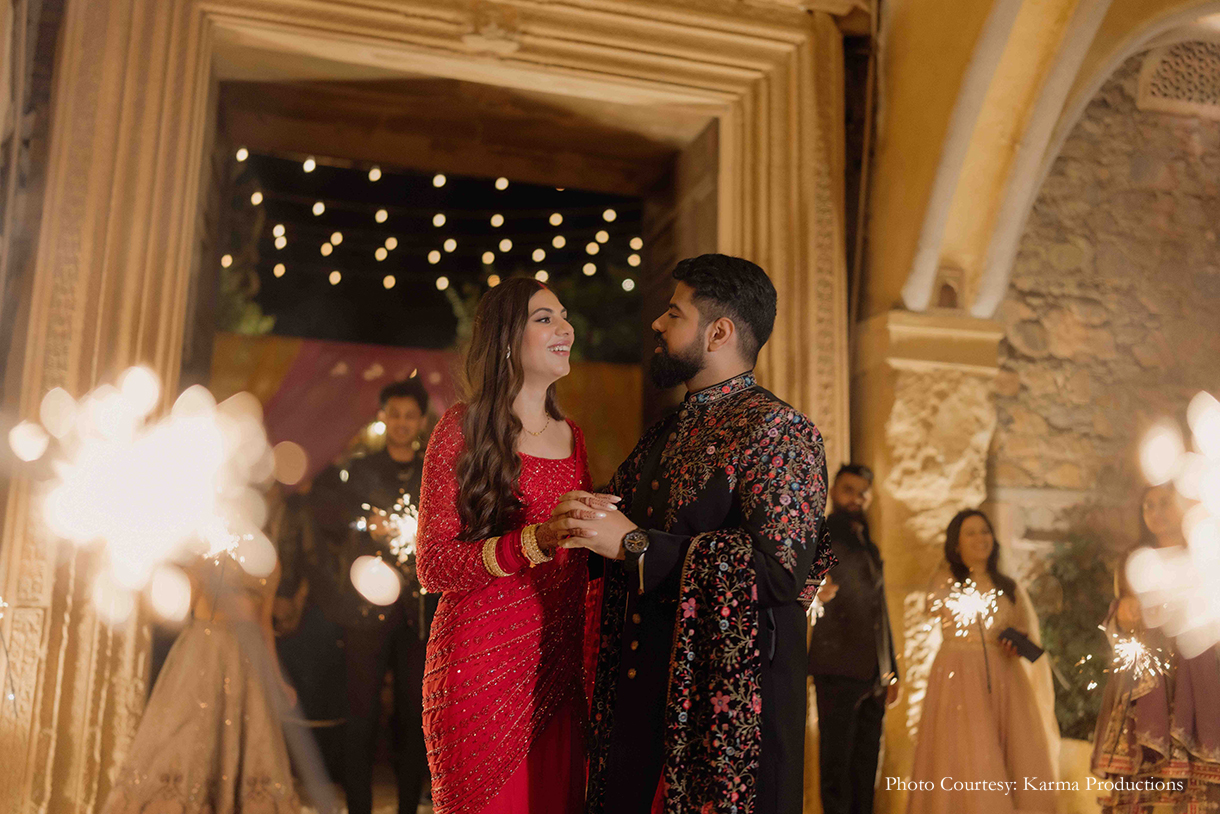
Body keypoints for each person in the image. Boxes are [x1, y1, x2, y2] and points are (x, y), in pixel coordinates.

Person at [563, 254, 835, 814]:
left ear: (719, 332)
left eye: (673, 312)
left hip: (728, 725)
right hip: (639, 710)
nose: (658, 324)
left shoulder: (779, 431)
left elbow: (779, 573)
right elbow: (610, 533)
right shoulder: (667, 431)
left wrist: (636, 545)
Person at [415, 278, 593, 814]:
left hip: (557, 674)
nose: (566, 328)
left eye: (564, 316)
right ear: (506, 339)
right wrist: (532, 542)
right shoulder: (463, 428)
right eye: (545, 318)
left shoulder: (574, 437)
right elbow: (434, 563)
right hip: (480, 667)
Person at [100, 496, 300, 814]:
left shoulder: (268, 564)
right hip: (201, 652)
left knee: (247, 744)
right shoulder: (206, 551)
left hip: (245, 659)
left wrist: (277, 680)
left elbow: (264, 627)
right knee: (184, 735)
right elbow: (185, 604)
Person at [906, 509, 1058, 814]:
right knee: (969, 747)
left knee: (1011, 749)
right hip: (958, 673)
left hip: (1004, 672)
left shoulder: (1008, 586)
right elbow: (934, 608)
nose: (980, 538)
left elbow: (1023, 626)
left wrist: (1018, 639)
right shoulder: (944, 579)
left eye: (985, 531)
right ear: (956, 543)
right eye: (971, 533)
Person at [340, 378, 438, 814]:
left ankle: (405, 808)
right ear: (383, 416)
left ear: (421, 421)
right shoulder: (360, 470)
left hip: (417, 611)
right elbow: (338, 520)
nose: (401, 422)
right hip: (366, 608)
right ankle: (358, 805)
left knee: (413, 717)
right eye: (394, 414)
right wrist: (368, 524)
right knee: (360, 713)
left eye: (409, 415)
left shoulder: (434, 470)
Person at [1091, 483, 1220, 813]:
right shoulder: (1132, 561)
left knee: (1198, 769)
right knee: (1147, 769)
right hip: (1148, 680)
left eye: (1165, 503)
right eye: (1148, 505)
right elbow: (1120, 629)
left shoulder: (1204, 556)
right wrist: (1122, 613)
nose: (1157, 512)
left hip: (1200, 669)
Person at [808, 463, 899, 814]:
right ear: (834, 491)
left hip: (874, 674)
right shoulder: (821, 534)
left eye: (862, 492)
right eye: (848, 490)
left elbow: (880, 609)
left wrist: (893, 669)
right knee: (836, 768)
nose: (855, 498)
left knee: (865, 770)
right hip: (836, 667)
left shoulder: (868, 542)